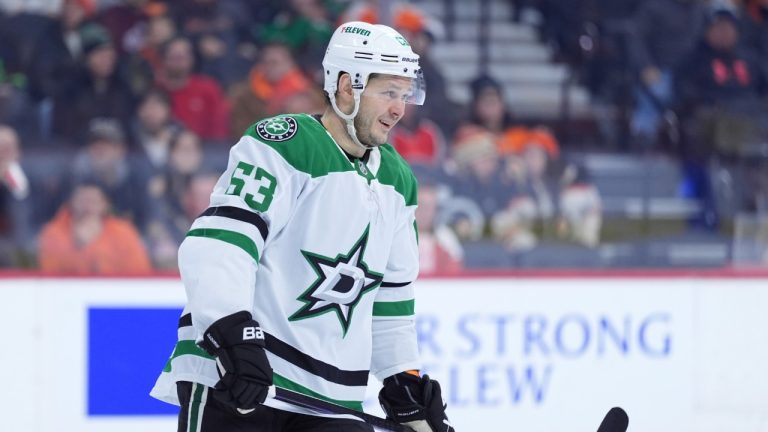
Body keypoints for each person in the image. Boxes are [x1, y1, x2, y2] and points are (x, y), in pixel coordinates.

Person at [151, 21, 455, 432]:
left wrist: (403, 379)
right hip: (240, 376)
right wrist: (232, 332)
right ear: (348, 86)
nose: (400, 109)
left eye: (405, 94)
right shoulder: (283, 144)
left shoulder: (399, 182)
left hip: (331, 397)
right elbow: (219, 245)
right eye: (388, 93)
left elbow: (391, 301)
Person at [37, 182, 151, 274]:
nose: (87, 207)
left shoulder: (123, 232)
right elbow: (50, 273)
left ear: (105, 205)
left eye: (93, 201)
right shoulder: (53, 232)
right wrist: (80, 246)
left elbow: (138, 271)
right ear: (71, 203)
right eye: (82, 201)